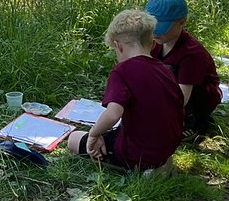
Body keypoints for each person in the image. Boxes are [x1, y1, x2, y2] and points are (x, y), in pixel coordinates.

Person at [67, 9, 183, 170]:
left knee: (74, 138)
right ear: (153, 43)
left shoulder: (122, 71)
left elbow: (114, 113)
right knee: (116, 134)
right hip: (167, 146)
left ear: (118, 45)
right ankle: (158, 163)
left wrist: (94, 134)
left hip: (139, 152)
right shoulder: (165, 70)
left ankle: (141, 168)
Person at [146, 0, 221, 135]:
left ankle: (190, 123)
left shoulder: (192, 53)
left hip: (196, 98)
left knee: (168, 70)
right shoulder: (155, 44)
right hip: (169, 92)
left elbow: (182, 97)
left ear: (182, 22)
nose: (156, 33)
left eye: (162, 27)